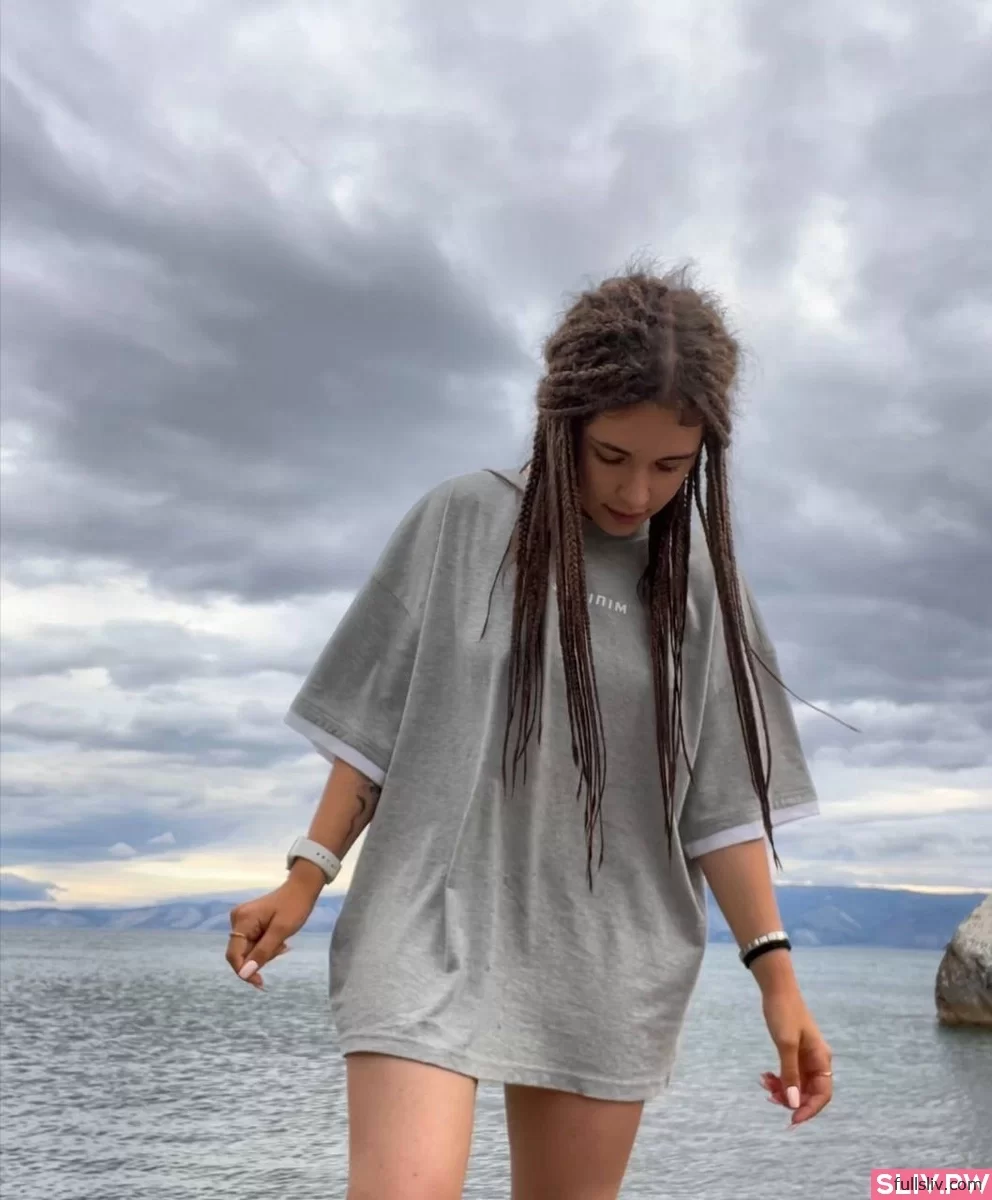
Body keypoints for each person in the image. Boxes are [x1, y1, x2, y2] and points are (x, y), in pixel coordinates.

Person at [225, 261, 834, 1200]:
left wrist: (776, 978)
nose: (637, 492)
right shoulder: (464, 522)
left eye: (671, 467)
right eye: (611, 455)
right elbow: (376, 728)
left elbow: (718, 812)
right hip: (427, 920)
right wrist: (306, 874)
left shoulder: (702, 590)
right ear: (562, 423)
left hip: (607, 951)